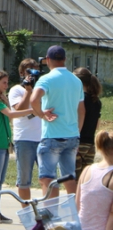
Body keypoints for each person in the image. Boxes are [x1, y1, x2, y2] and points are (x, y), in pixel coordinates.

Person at [30, 45, 84, 197]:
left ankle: (51, 215)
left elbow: (34, 99)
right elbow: (82, 110)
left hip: (52, 135)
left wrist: (41, 114)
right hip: (72, 136)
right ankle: (75, 214)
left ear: (47, 60)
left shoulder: (46, 79)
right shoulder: (76, 80)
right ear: (65, 59)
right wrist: (77, 132)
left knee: (48, 178)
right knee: (69, 177)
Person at [0, 70, 33, 223]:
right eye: (3, 82)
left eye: (7, 82)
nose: (6, 85)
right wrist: (32, 110)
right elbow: (11, 114)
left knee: (0, 180)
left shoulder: (0, 98)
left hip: (4, 143)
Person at [9, 58, 42, 204]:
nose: (33, 74)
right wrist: (28, 91)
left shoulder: (42, 89)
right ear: (22, 73)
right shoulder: (16, 89)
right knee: (24, 179)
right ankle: (27, 213)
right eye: (30, 71)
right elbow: (19, 108)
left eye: (36, 70)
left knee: (47, 177)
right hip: (24, 139)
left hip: (43, 138)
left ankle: (47, 211)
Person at [74, 67, 103, 180]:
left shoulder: (79, 99)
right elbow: (97, 125)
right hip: (90, 144)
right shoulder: (96, 100)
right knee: (85, 180)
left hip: (78, 143)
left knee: (74, 180)